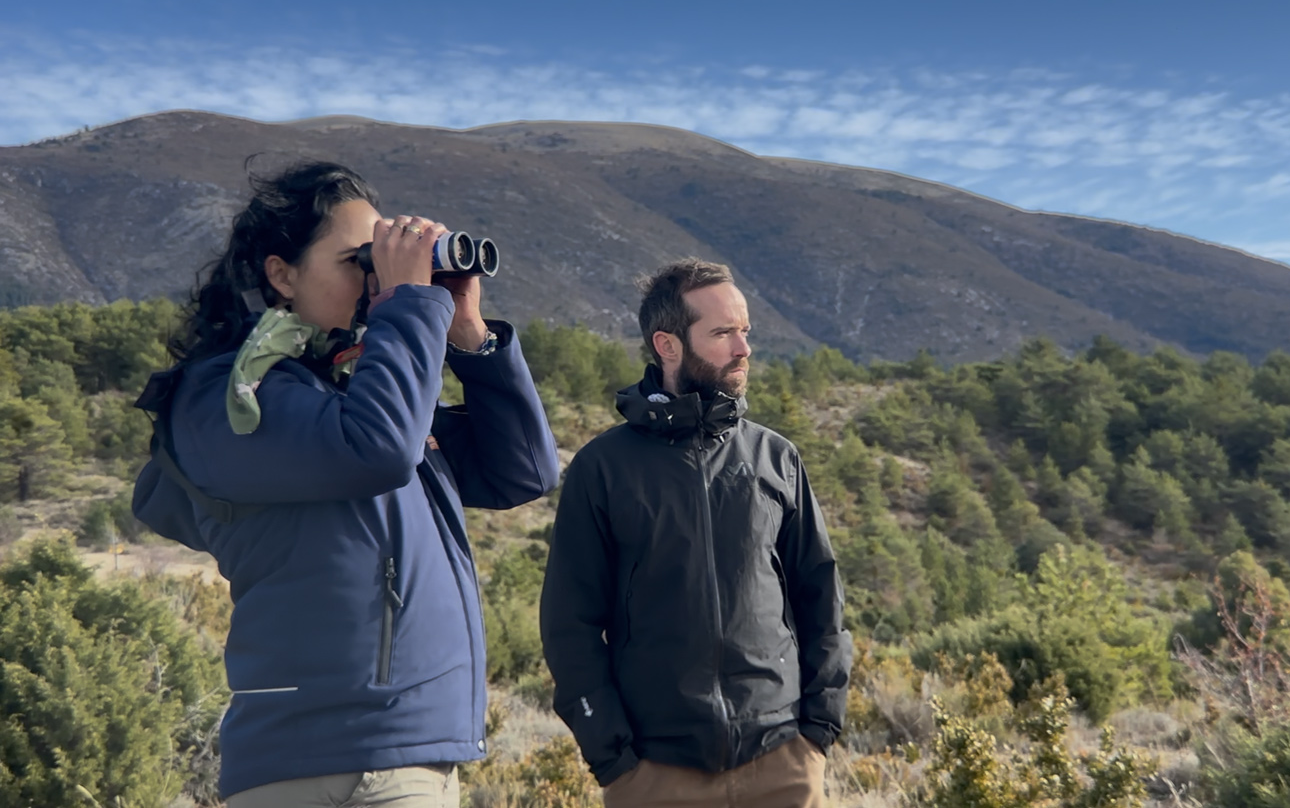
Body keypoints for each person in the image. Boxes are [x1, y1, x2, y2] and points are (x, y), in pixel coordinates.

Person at [131, 161, 559, 807]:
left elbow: (522, 469)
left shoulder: (350, 393)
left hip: (405, 749)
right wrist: (408, 302)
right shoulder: (227, 398)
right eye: (358, 260)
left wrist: (467, 331)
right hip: (318, 760)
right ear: (282, 275)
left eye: (378, 260)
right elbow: (381, 450)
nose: (373, 279)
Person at [540, 258, 852, 808]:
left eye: (745, 331)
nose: (743, 348)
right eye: (723, 333)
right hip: (655, 776)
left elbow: (820, 594)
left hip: (781, 764)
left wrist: (819, 728)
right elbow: (570, 625)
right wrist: (614, 760)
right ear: (668, 345)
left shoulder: (775, 457)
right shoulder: (603, 468)